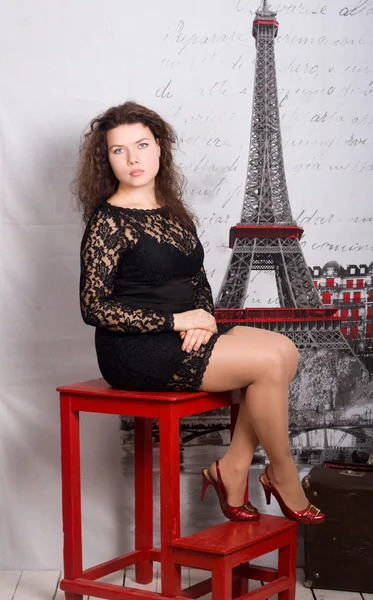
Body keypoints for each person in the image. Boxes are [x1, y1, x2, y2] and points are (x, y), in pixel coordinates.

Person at [73, 101, 325, 525]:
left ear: (159, 149)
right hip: (136, 349)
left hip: (188, 332)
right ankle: (283, 476)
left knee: (284, 349)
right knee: (266, 363)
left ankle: (232, 467)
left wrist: (204, 317)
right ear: (106, 160)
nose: (133, 158)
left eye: (142, 144)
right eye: (119, 150)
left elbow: (197, 281)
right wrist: (176, 322)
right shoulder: (107, 222)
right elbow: (93, 306)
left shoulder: (174, 213)